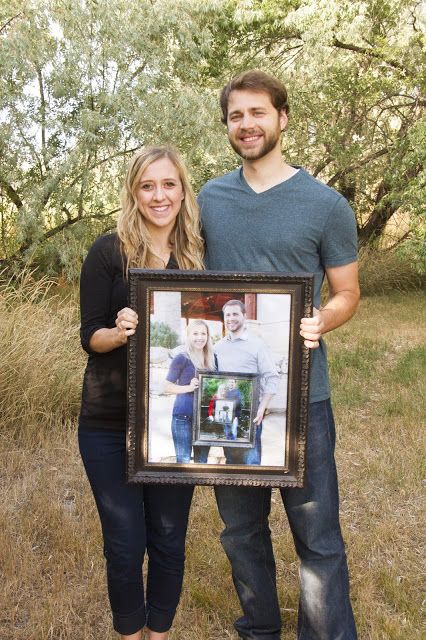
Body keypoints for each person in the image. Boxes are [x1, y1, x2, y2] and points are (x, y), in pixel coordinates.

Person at [198, 70, 360, 639]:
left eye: (258, 113)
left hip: (303, 396)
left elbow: (347, 293)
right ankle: (259, 629)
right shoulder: (209, 199)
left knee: (317, 537)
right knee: (240, 531)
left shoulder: (324, 205)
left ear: (282, 118)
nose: (247, 124)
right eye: (236, 116)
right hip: (227, 399)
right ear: (227, 126)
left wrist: (322, 319)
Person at [78, 144, 204, 640]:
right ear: (134, 191)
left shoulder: (197, 256)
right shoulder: (108, 251)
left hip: (174, 422)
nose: (159, 195)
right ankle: (131, 634)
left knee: (170, 540)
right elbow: (89, 335)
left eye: (169, 184)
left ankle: (160, 635)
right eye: (148, 185)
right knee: (126, 543)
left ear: (182, 190)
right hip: (108, 423)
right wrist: (120, 329)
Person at [215, 299, 279, 463]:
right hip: (227, 412)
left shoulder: (257, 345)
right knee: (231, 461)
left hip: (251, 413)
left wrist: (262, 407)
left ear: (244, 316)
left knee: (251, 463)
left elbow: (272, 377)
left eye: (235, 314)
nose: (231, 318)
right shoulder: (218, 347)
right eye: (227, 315)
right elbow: (215, 380)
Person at [164, 319, 215, 463]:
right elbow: (167, 387)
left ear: (208, 336)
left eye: (203, 333)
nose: (200, 337)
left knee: (202, 462)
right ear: (188, 336)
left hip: (205, 419)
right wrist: (188, 387)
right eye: (195, 333)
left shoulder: (212, 360)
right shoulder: (182, 358)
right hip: (183, 417)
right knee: (183, 461)